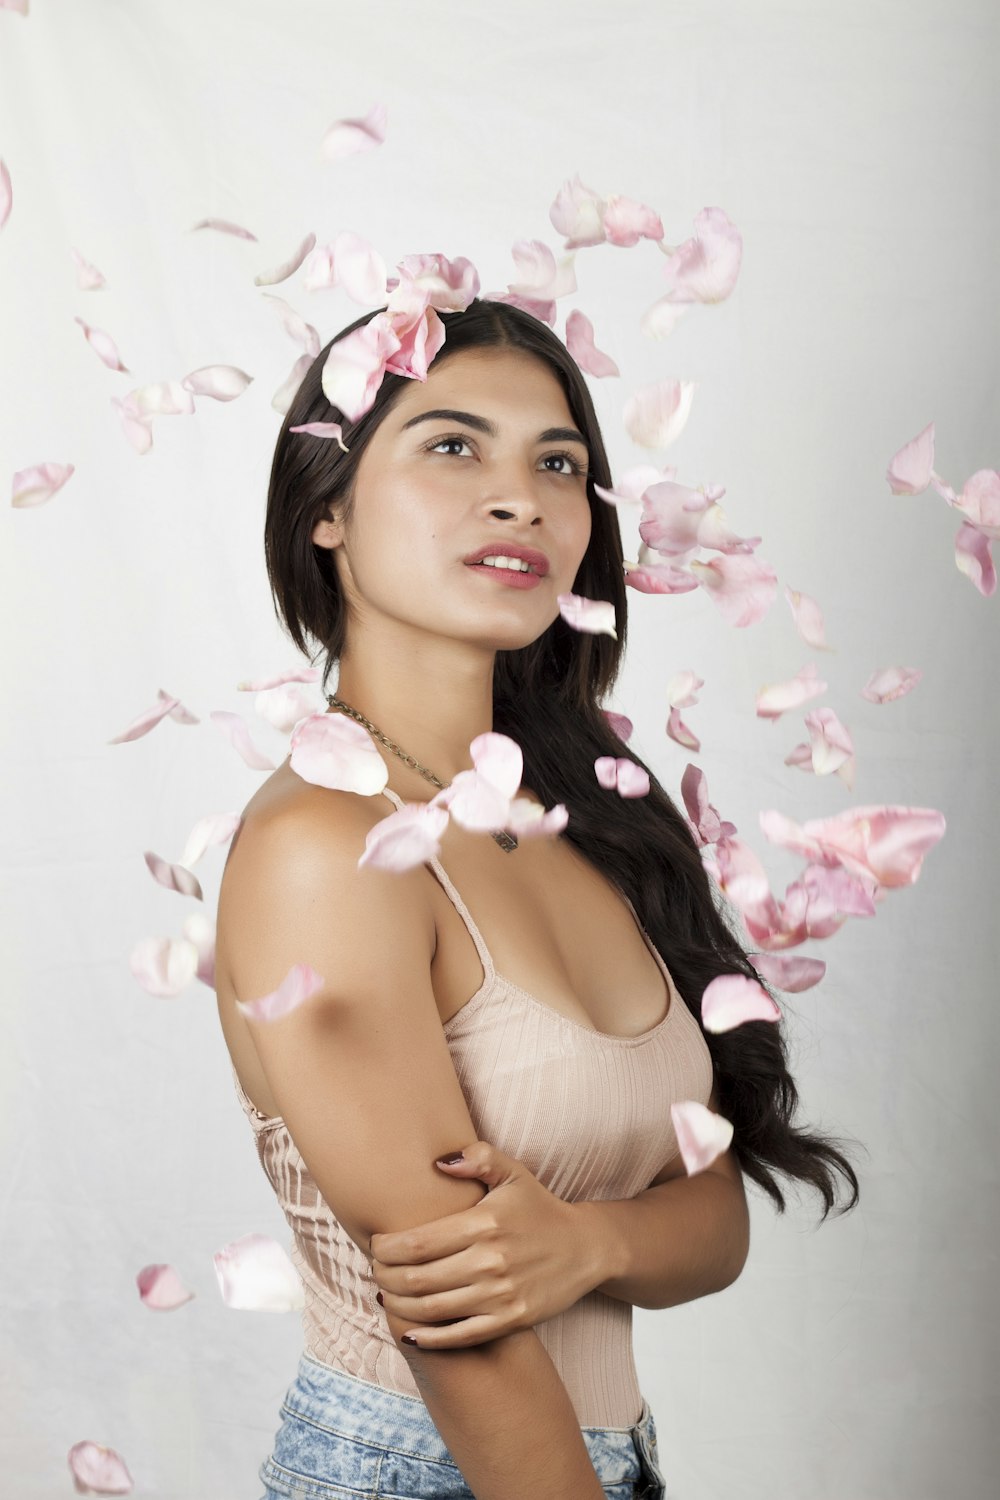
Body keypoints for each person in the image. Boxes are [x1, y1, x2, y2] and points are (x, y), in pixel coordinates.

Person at [213, 295, 861, 1499]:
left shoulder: (590, 818)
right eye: (452, 445)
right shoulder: (320, 846)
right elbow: (459, 1318)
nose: (520, 498)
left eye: (557, 464)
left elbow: (712, 1215)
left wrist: (589, 1243)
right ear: (328, 512)